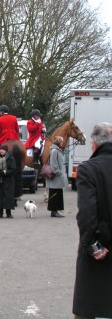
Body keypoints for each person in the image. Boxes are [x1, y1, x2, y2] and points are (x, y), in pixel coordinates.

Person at [72, 122, 112, 319]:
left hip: (102, 248)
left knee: (91, 308)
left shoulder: (88, 169)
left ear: (94, 145)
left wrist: (91, 245)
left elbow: (87, 215)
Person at [0, 144, 16, 218]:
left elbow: (13, 169)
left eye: (3, 149)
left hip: (8, 181)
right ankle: (0, 213)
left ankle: (8, 213)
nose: (1, 151)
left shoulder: (11, 159)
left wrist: (5, 172)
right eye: (0, 149)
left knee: (8, 196)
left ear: (6, 151)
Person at [46, 135, 68, 218]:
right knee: (55, 193)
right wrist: (58, 172)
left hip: (58, 177)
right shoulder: (55, 151)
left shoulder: (57, 150)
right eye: (61, 141)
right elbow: (54, 164)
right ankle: (54, 211)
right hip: (56, 177)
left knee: (57, 193)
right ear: (59, 142)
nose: (62, 143)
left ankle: (56, 210)